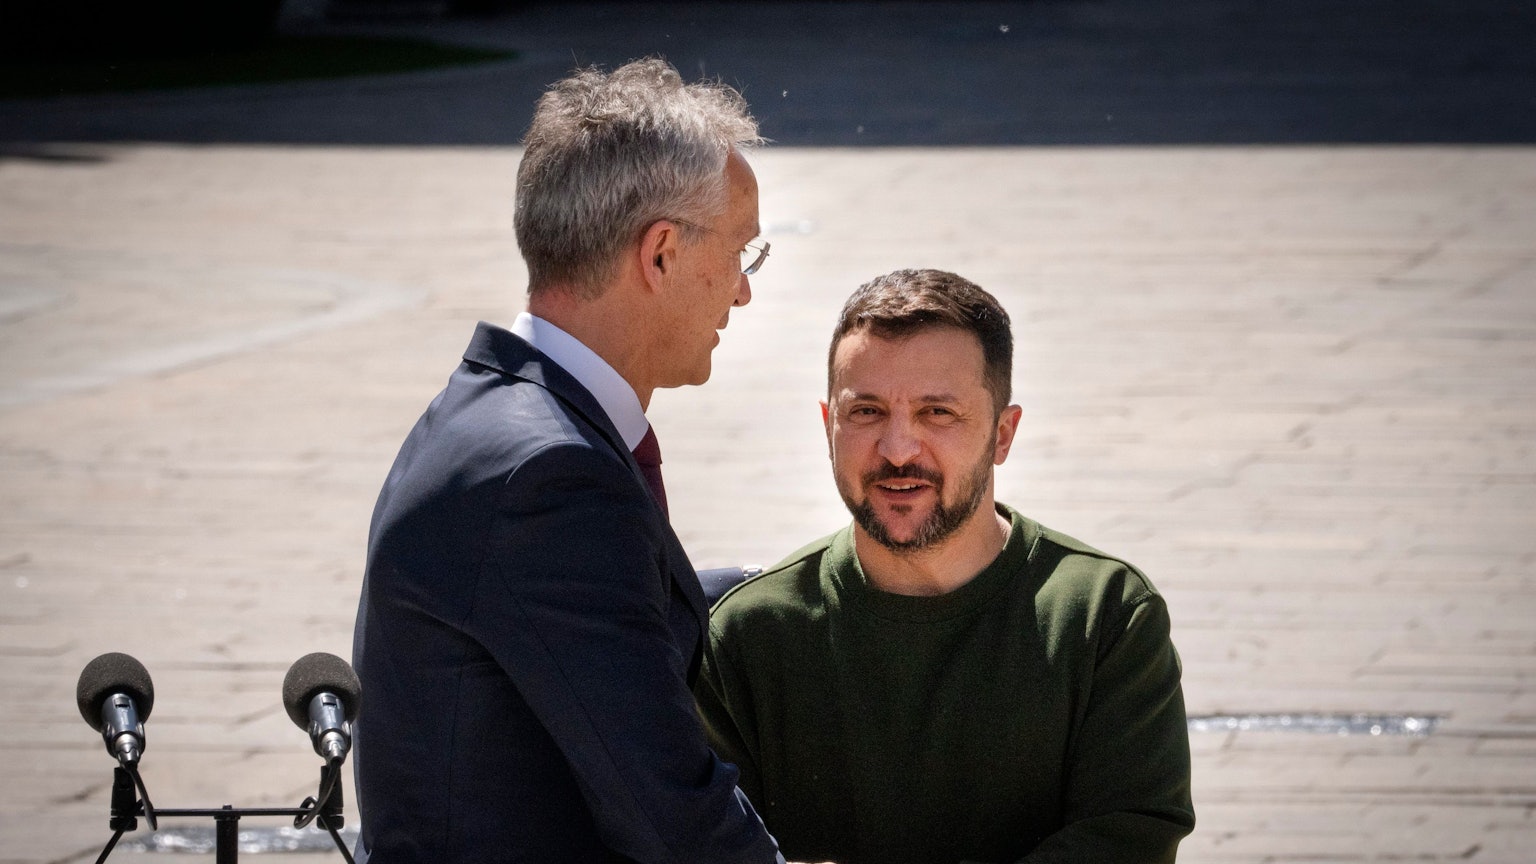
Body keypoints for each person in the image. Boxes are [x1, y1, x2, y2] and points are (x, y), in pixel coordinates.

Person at [351, 58, 784, 863]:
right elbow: (672, 816)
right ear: (659, 255)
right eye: (741, 256)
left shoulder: (493, 410)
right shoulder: (550, 479)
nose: (742, 293)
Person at [695, 269, 1196, 863]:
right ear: (828, 426)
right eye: (867, 413)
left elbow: (1130, 836)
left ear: (1002, 435)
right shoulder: (750, 635)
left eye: (938, 413)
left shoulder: (1102, 616)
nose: (899, 448)